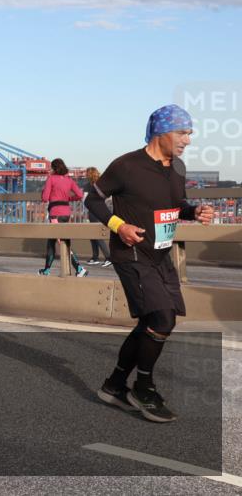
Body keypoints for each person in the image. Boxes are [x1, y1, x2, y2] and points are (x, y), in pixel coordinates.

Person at [86, 104, 215, 423]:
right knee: (162, 318)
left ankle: (114, 386)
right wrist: (119, 226)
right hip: (131, 254)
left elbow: (177, 205)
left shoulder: (178, 168)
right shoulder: (126, 165)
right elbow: (92, 199)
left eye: (190, 133)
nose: (188, 140)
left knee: (151, 323)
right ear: (161, 133)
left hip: (160, 255)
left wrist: (194, 211)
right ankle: (143, 388)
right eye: (182, 133)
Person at [39, 158, 87, 277]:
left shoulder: (51, 179)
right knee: (53, 241)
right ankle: (46, 270)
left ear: (54, 168)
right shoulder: (69, 180)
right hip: (66, 214)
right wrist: (68, 198)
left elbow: (45, 198)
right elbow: (80, 195)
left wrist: (44, 191)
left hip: (55, 214)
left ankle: (79, 268)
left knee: (60, 242)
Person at [83, 167, 112, 267]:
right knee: (94, 234)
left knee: (96, 235)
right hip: (103, 211)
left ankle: (108, 257)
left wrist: (85, 213)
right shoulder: (102, 184)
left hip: (93, 212)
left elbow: (85, 201)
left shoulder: (88, 186)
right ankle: (94, 257)